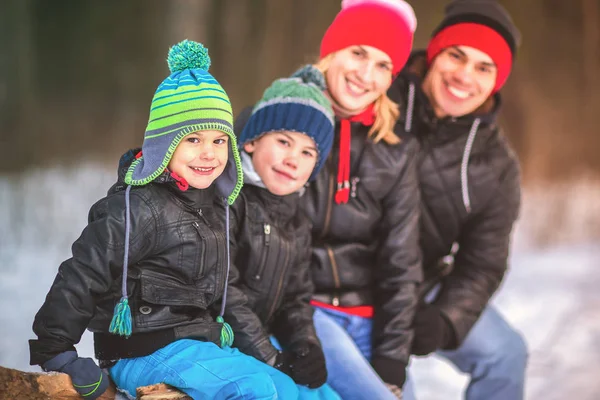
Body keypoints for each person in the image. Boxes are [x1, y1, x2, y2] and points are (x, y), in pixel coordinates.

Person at [28, 40, 299, 400]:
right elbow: (82, 274)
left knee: (284, 387)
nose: (209, 153)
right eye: (193, 139)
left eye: (220, 141)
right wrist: (58, 353)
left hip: (195, 344)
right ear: (164, 145)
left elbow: (225, 294)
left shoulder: (216, 207)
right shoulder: (137, 207)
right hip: (142, 351)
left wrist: (267, 355)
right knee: (254, 389)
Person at [387, 1, 526, 399]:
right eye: (457, 55)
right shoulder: (383, 99)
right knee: (393, 390)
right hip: (352, 283)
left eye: (485, 67)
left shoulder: (496, 166)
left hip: (423, 282)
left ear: (497, 81)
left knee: (506, 354)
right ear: (434, 54)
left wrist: (447, 319)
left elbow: (482, 264)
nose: (465, 76)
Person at [302, 0, 422, 398]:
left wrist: (392, 361)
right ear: (331, 52)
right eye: (358, 53)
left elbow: (401, 264)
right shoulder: (282, 125)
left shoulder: (396, 152)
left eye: (383, 65)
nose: (365, 75)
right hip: (304, 312)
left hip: (369, 318)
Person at [222, 66, 340, 399]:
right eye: (284, 141)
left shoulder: (297, 219)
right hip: (221, 339)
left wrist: (304, 343)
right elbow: (222, 291)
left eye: (307, 152)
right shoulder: (229, 199)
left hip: (263, 340)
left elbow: (295, 298)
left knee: (326, 396)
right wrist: (270, 357)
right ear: (251, 142)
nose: (293, 160)